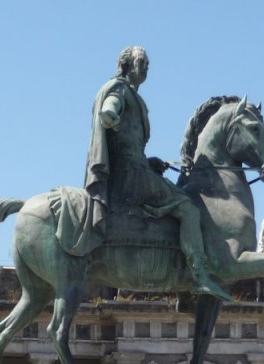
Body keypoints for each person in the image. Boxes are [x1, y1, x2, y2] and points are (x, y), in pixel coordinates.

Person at [84, 46, 233, 302]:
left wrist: (149, 161)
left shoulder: (133, 96)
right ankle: (198, 278)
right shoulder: (119, 90)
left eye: (147, 65)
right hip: (131, 177)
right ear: (128, 66)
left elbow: (129, 144)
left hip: (137, 168)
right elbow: (109, 109)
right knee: (188, 209)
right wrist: (111, 116)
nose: (146, 70)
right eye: (143, 64)